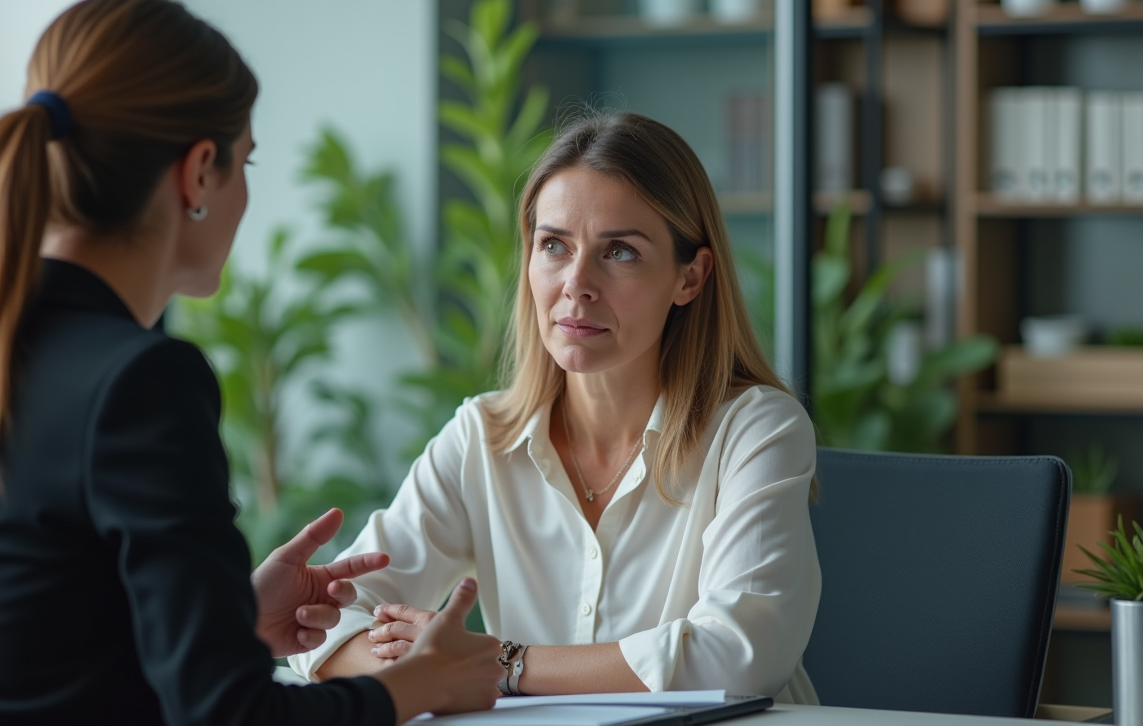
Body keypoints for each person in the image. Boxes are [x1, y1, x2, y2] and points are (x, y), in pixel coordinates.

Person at [0, 0, 503, 726]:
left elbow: (47, 638)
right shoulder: (137, 381)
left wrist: (225, 618)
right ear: (199, 172)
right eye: (248, 163)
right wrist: (418, 684)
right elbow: (233, 717)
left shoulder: (28, 353)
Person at [291, 111, 822, 703]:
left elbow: (740, 656)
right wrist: (429, 674)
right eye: (553, 246)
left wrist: (502, 664)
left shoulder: (756, 430)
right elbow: (319, 621)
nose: (576, 284)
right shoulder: (481, 437)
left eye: (619, 251)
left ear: (690, 277)